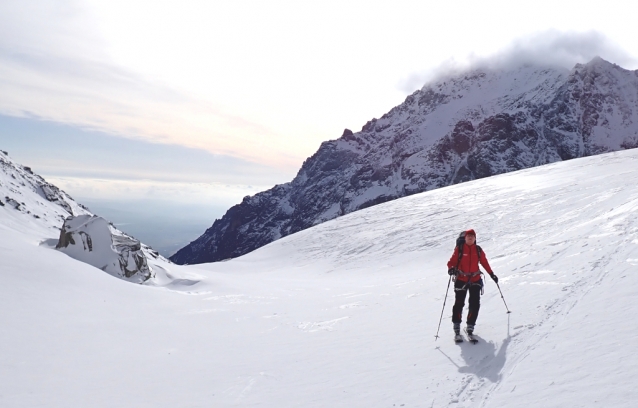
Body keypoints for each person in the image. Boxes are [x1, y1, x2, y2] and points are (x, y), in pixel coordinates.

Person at [447, 229, 498, 336]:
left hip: (475, 279)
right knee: (459, 303)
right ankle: (456, 325)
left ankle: (470, 325)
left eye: (472, 236)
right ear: (465, 238)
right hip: (461, 279)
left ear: (475, 239)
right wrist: (451, 268)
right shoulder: (459, 249)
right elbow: (452, 261)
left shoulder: (478, 250)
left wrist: (491, 274)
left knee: (475, 304)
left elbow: (484, 262)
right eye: (468, 236)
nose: (470, 237)